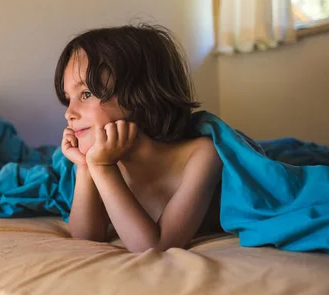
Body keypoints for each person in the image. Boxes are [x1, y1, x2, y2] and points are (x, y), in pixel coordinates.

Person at [54, 24, 224, 253]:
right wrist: (86, 166)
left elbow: (155, 245)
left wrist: (103, 168)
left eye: (86, 94)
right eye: (68, 99)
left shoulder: (203, 155)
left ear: (140, 96)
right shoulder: (104, 157)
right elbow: (86, 235)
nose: (69, 113)